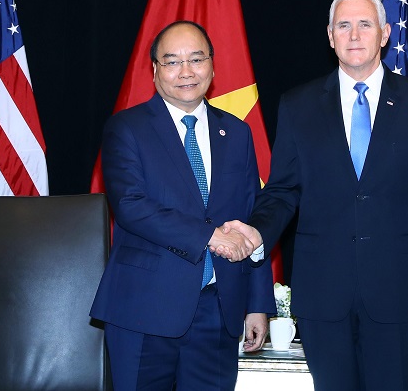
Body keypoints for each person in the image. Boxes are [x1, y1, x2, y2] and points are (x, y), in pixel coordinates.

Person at [223, 0, 408, 390]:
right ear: (330, 36)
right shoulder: (298, 105)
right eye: (344, 25)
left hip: (401, 295)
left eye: (365, 24)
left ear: (384, 34)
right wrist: (256, 231)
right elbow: (283, 190)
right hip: (323, 296)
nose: (354, 35)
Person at [90, 21, 275, 390]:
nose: (186, 71)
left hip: (218, 310)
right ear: (155, 69)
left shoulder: (237, 132)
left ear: (212, 65)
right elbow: (130, 205)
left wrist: (258, 303)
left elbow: (251, 218)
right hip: (144, 309)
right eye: (172, 61)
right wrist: (210, 236)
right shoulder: (126, 128)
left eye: (197, 59)